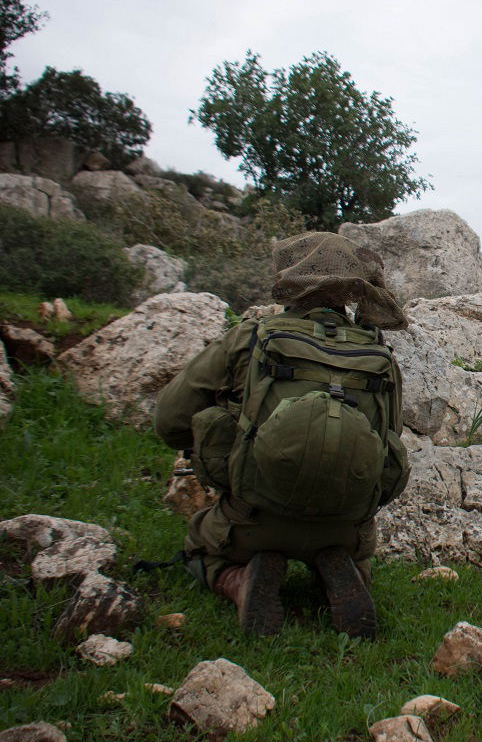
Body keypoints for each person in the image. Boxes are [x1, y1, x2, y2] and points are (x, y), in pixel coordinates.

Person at [155, 232, 409, 637]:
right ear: (351, 288)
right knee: (349, 545)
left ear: (290, 278)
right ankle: (342, 573)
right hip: (344, 526)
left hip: (254, 517)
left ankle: (237, 580)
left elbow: (169, 420)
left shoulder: (253, 337)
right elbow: (388, 444)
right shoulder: (380, 355)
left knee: (200, 545)